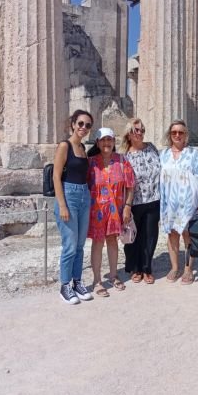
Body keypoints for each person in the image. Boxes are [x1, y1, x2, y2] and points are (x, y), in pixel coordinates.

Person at [160, 119, 198, 285]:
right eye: (174, 132)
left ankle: (188, 269)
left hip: (189, 203)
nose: (177, 135)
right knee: (172, 234)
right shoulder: (163, 155)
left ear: (186, 135)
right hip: (169, 202)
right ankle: (175, 267)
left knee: (188, 235)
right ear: (170, 134)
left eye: (180, 132)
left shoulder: (192, 154)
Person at [87, 127, 135, 297]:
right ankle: (97, 281)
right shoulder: (90, 163)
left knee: (113, 241)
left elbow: (130, 185)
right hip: (97, 211)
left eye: (109, 139)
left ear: (114, 141)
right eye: (103, 140)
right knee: (98, 243)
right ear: (97, 143)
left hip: (116, 210)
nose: (106, 143)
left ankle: (114, 276)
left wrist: (127, 206)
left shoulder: (122, 161)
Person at [53, 109, 94, 304]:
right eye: (80, 123)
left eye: (87, 125)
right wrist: (62, 205)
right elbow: (56, 176)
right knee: (69, 245)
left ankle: (77, 282)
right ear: (73, 124)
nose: (83, 128)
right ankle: (64, 286)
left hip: (84, 195)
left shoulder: (83, 148)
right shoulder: (65, 146)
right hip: (68, 195)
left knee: (79, 245)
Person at [121, 118, 161, 284]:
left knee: (150, 235)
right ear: (129, 134)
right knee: (133, 236)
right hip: (134, 201)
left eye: (142, 130)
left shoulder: (151, 148)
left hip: (154, 198)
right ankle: (135, 268)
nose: (140, 133)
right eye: (136, 130)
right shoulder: (125, 156)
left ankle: (146, 268)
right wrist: (125, 205)